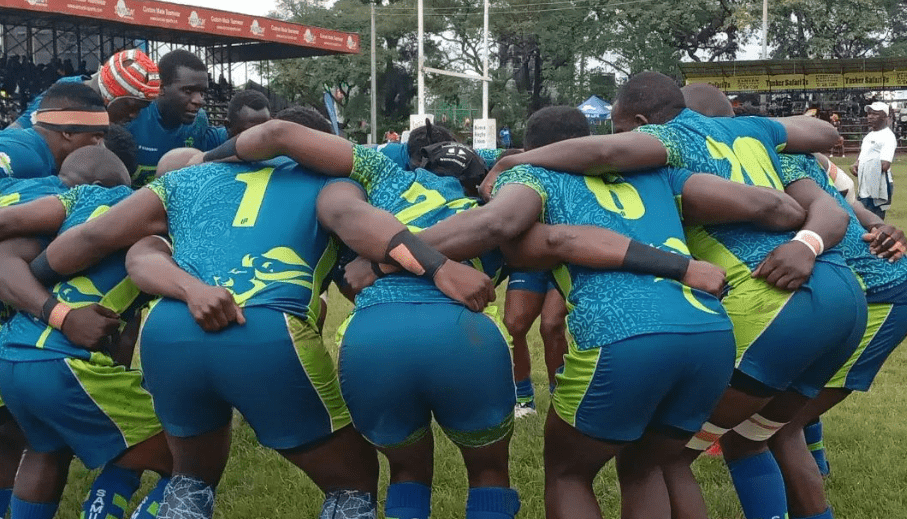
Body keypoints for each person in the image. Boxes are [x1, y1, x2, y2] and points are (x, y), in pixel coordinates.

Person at [482, 72, 866, 519]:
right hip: (843, 293)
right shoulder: (752, 129)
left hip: (768, 298)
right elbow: (820, 140)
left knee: (657, 458)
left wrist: (515, 163)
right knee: (756, 437)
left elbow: (604, 155)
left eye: (623, 128)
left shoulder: (668, 142)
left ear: (642, 123)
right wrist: (807, 239)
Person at [0, 150, 171, 519]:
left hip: (11, 353)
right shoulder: (157, 208)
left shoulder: (77, 198)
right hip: (63, 364)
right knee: (189, 459)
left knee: (44, 450)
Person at [126, 49, 226, 187]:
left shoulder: (199, 121)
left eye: (202, 92)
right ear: (160, 87)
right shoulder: (133, 117)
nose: (199, 100)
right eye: (188, 91)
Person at [6, 49, 159, 130]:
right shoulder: (65, 94)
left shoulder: (118, 120)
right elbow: (17, 130)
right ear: (111, 94)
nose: (134, 116)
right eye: (131, 107)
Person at [0, 82, 108, 179]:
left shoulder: (30, 147)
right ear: (68, 132)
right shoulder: (26, 159)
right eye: (97, 136)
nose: (101, 145)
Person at [503, 271, 567, 417]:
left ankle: (560, 397)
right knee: (513, 327)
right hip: (530, 262)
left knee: (551, 325)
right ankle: (523, 398)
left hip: (564, 261)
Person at [851, 101, 897, 220]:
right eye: (869, 114)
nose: (870, 117)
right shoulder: (869, 136)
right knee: (861, 220)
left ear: (885, 117)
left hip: (878, 186)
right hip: (864, 186)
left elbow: (885, 165)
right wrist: (857, 165)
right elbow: (862, 157)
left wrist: (864, 166)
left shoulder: (888, 136)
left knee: (874, 222)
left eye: (875, 114)